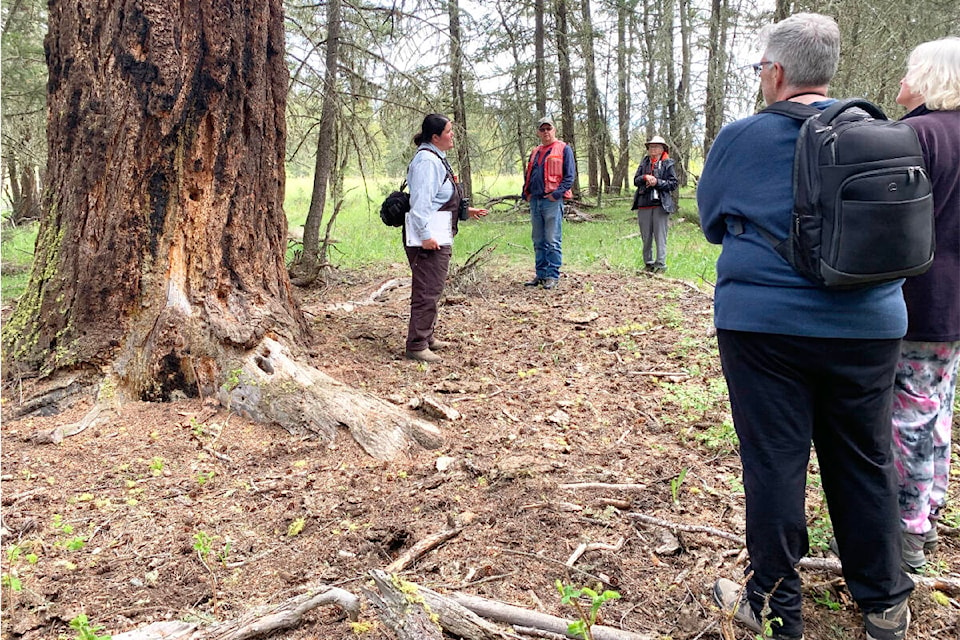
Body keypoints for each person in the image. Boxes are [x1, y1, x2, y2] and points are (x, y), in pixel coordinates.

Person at [697, 13, 914, 640]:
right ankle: (883, 603)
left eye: (762, 67)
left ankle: (771, 603)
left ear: (778, 73)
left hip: (764, 328)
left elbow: (712, 221)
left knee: (773, 459)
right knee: (866, 457)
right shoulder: (886, 134)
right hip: (871, 327)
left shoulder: (741, 138)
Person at [891, 37, 960, 573]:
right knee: (936, 407)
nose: (901, 81)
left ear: (932, 77)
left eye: (910, 71)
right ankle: (929, 509)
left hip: (920, 298)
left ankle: (906, 533)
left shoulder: (916, 136)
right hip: (953, 305)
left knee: (908, 416)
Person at [403, 113, 487, 363]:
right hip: (428, 239)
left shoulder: (438, 158)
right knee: (427, 290)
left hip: (439, 233)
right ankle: (416, 344)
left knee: (434, 287)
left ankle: (427, 336)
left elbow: (439, 198)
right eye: (449, 132)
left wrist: (463, 211)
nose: (453, 136)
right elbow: (420, 204)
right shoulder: (427, 162)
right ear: (435, 137)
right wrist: (425, 236)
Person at [521, 116, 575, 290]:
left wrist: (556, 194)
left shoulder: (563, 149)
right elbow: (529, 174)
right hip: (535, 200)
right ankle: (541, 274)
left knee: (552, 239)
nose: (546, 132)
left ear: (554, 130)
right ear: (538, 132)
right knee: (538, 239)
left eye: (548, 129)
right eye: (542, 129)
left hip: (551, 200)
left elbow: (569, 177)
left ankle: (552, 275)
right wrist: (526, 193)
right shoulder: (536, 151)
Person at [631, 135, 678, 273]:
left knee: (660, 236)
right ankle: (648, 264)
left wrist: (657, 182)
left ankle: (661, 265)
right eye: (651, 146)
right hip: (644, 204)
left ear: (662, 149)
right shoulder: (644, 162)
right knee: (646, 236)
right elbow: (636, 180)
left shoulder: (668, 164)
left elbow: (673, 183)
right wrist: (645, 177)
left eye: (656, 146)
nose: (653, 149)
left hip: (660, 205)